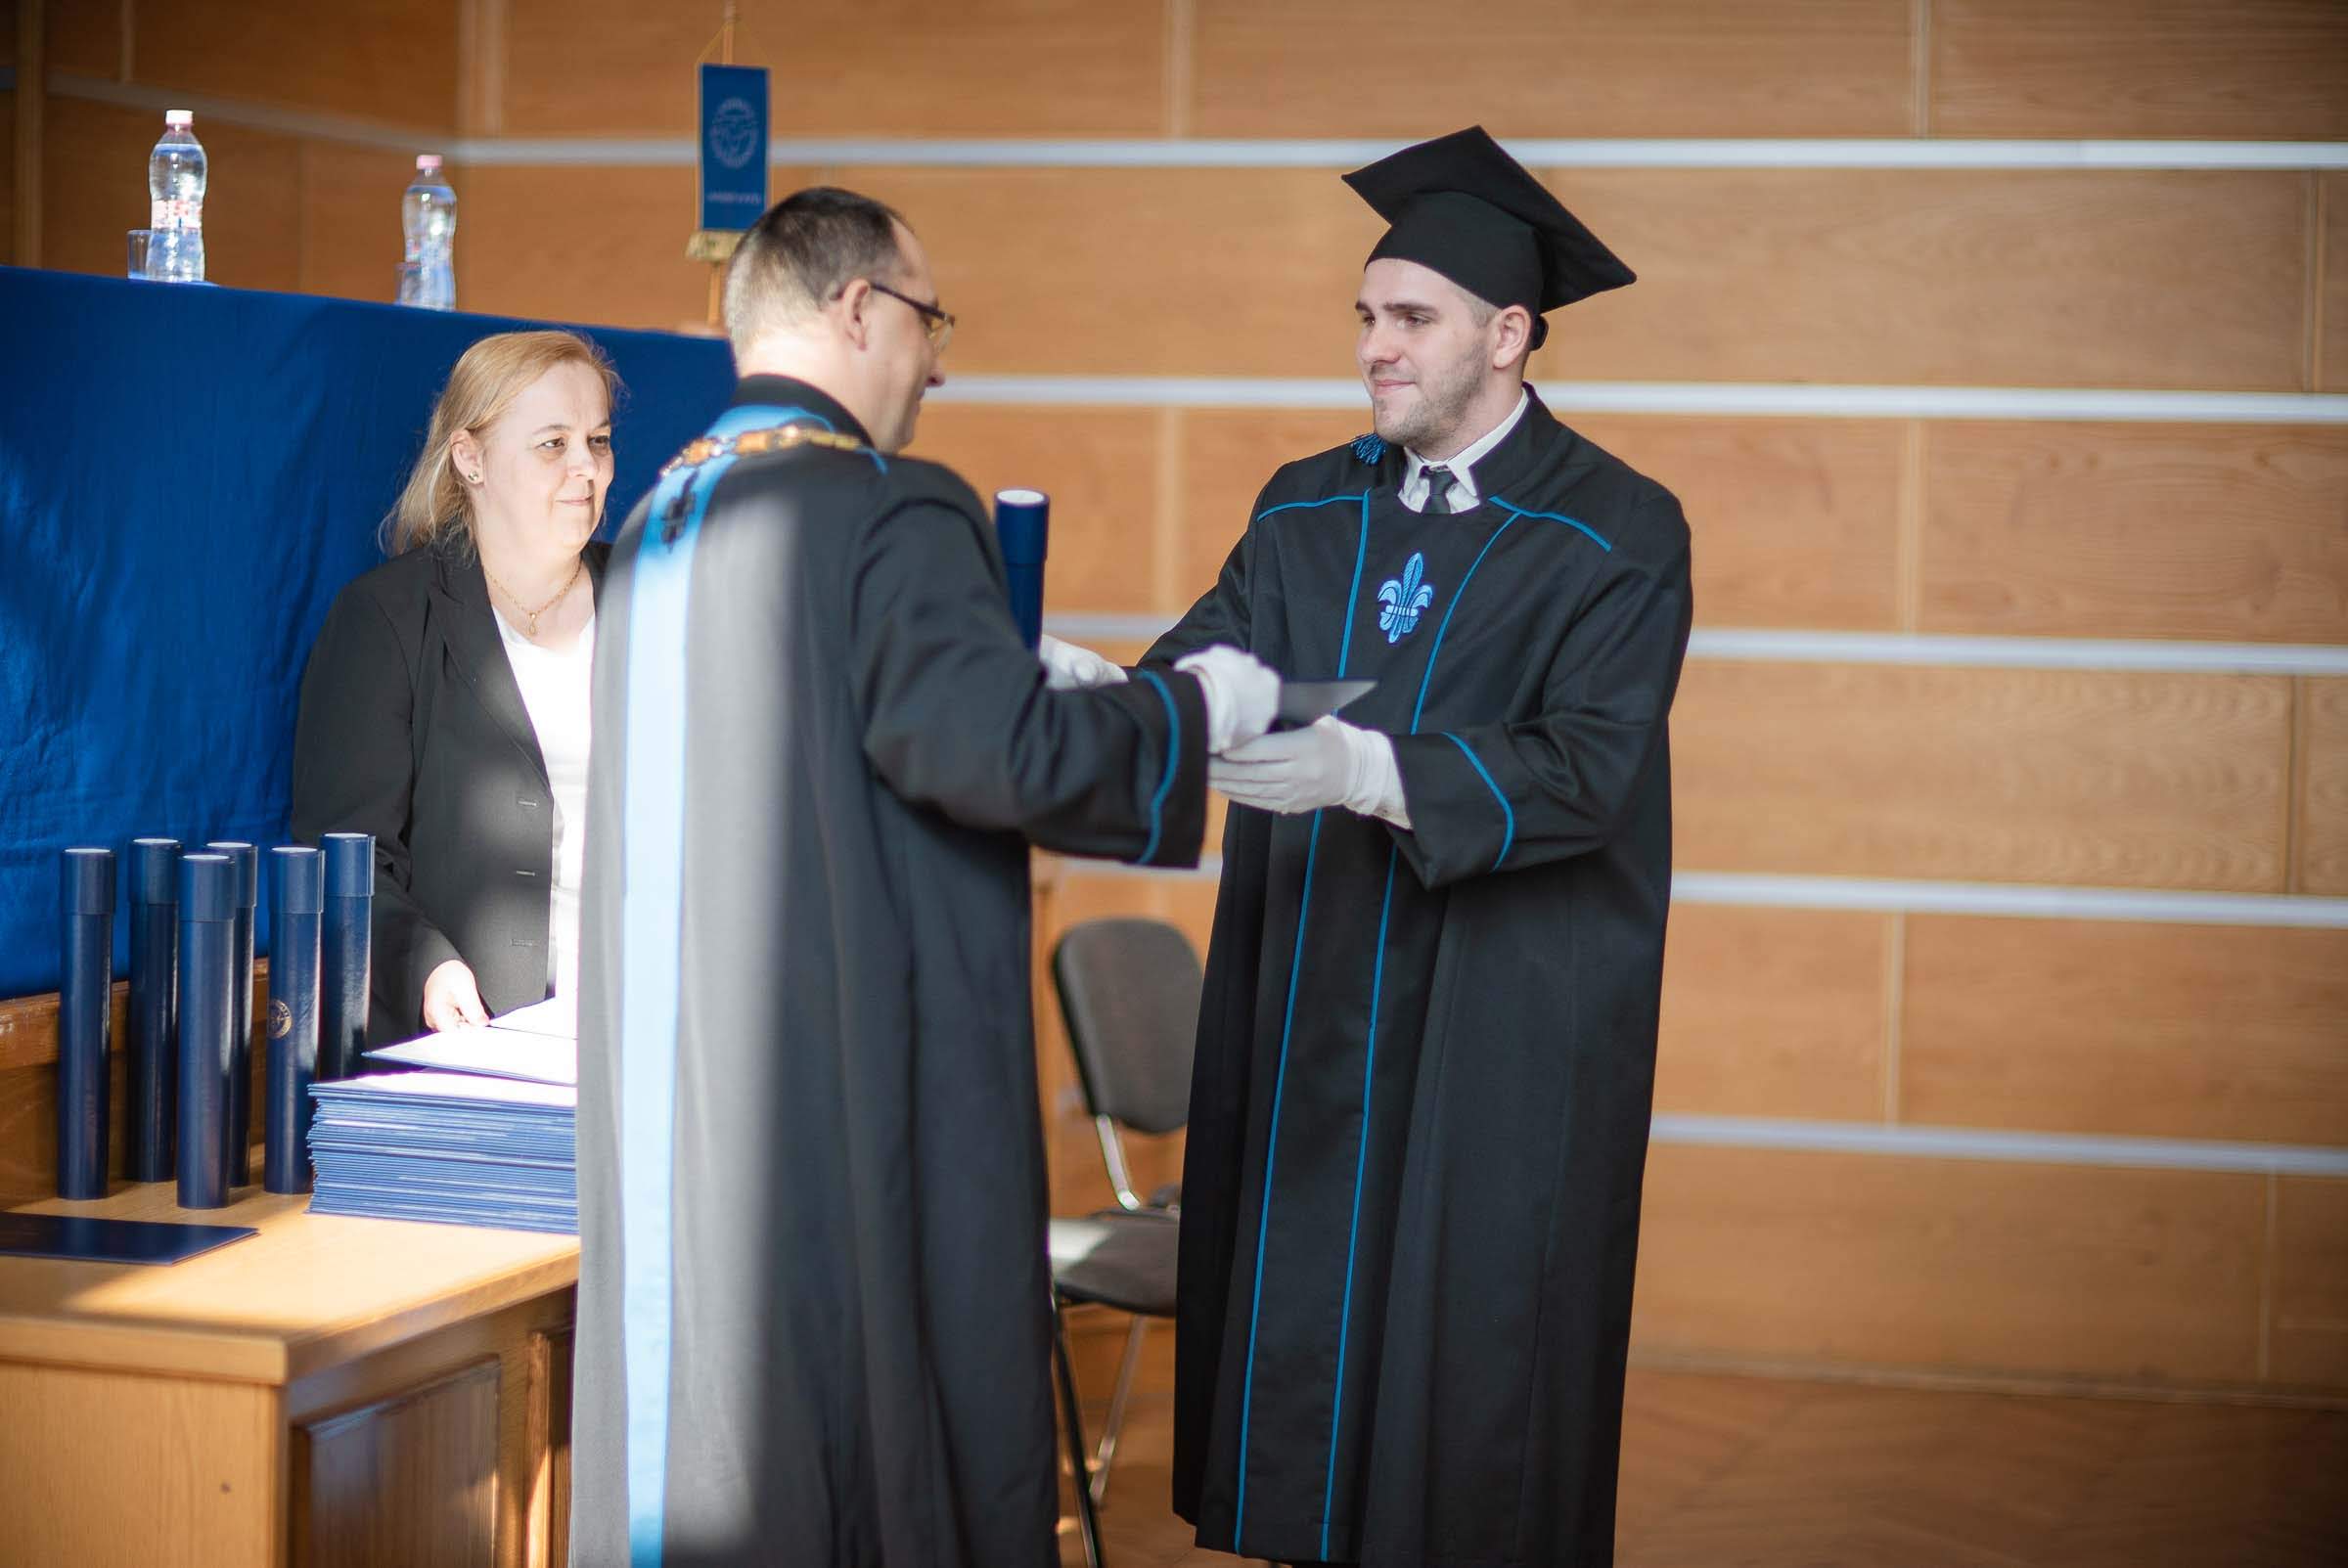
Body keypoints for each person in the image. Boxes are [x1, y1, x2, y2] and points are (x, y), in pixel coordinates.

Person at [565, 187, 1278, 1566]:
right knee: (869, 1458)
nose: (937, 364)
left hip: (682, 1107)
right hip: (842, 1098)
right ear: (856, 309)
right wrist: (1193, 709)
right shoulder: (884, 510)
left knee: (708, 1445)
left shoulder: (656, 519)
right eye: (929, 321)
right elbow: (1001, 754)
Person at [1144, 127, 1695, 1568]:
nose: (1374, 348)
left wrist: (1367, 767)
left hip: (1494, 1018)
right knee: (1302, 1366)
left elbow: (1588, 766)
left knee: (1469, 1386)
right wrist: (1098, 699)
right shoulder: (1305, 503)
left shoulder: (1617, 529)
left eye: (1411, 319)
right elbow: (1199, 670)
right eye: (1365, 317)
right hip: (1310, 992)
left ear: (1507, 335)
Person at [292, 329, 618, 1044]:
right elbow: (345, 855)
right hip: (474, 1039)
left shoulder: (657, 601)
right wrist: (427, 968)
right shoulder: (386, 618)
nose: (585, 468)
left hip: (643, 1025)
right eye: (552, 444)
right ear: (470, 458)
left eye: (598, 441)